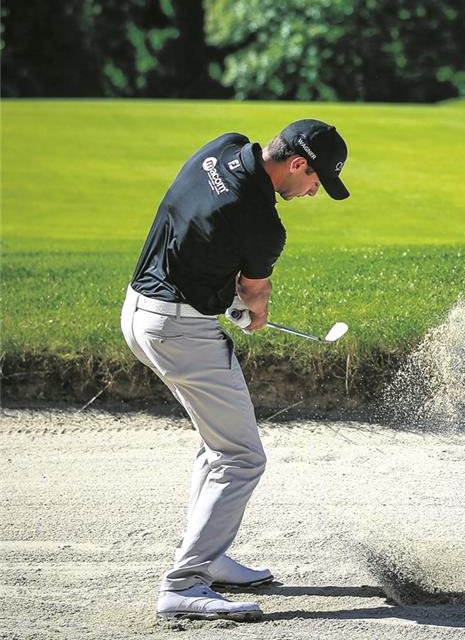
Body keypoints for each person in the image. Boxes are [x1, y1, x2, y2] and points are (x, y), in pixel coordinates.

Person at [120, 119, 349, 621]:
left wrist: (220, 290)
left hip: (139, 311)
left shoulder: (220, 148)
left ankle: (209, 555)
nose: (314, 191)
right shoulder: (264, 224)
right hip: (180, 332)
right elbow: (254, 297)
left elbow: (194, 223)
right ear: (296, 164)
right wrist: (251, 314)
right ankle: (185, 582)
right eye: (317, 181)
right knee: (242, 457)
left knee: (218, 445)